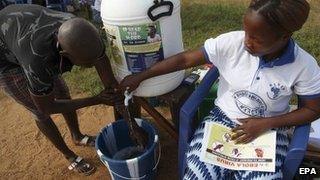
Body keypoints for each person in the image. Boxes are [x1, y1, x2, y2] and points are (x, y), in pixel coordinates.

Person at [118, 0, 320, 179]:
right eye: (246, 32)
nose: (246, 41)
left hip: (269, 129)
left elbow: (312, 109)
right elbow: (185, 59)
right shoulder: (233, 43)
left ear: (283, 36)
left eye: (257, 39)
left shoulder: (304, 65)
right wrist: (142, 76)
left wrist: (267, 123)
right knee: (197, 175)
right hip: (221, 120)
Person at [0, 4, 123, 175]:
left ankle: (77, 136)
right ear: (64, 54)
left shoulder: (83, 32)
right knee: (39, 111)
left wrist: (124, 116)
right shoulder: (37, 60)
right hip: (5, 61)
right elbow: (47, 107)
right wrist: (97, 99)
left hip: (23, 32)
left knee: (63, 92)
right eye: (86, 63)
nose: (91, 65)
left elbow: (104, 68)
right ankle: (70, 156)